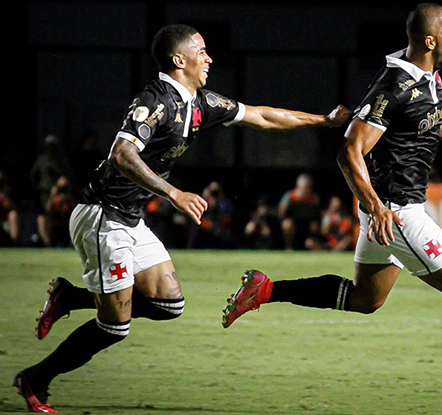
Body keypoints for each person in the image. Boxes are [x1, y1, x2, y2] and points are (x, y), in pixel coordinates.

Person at [221, 3, 442, 413]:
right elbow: (349, 151)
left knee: (365, 299)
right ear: (430, 40)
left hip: (389, 209)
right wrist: (377, 207)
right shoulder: (392, 87)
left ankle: (266, 289)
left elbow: (433, 118)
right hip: (396, 211)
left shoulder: (428, 78)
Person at [13, 23, 351, 413]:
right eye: (201, 50)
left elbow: (260, 116)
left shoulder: (198, 102)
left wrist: (322, 121)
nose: (208, 57)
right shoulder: (154, 101)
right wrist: (173, 193)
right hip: (103, 217)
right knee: (115, 326)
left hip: (128, 219)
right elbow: (122, 154)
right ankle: (36, 380)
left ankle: (70, 296)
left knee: (168, 305)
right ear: (179, 60)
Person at [30, 135, 72, 247]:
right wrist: (39, 187)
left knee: (67, 213)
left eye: (53, 146)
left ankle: (68, 242)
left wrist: (61, 185)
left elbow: (68, 176)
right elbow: (33, 176)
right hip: (45, 193)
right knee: (44, 216)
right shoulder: (41, 160)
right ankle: (47, 243)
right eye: (49, 146)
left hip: (61, 194)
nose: (51, 148)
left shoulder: (61, 160)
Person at [277, 173, 322, 250]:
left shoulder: (314, 198)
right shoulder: (289, 196)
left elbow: (318, 214)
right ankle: (289, 248)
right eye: (305, 187)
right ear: (298, 186)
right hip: (293, 223)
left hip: (307, 224)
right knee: (287, 224)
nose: (307, 189)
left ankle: (314, 246)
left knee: (315, 225)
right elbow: (281, 214)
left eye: (309, 187)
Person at [0, 170, 20, 246]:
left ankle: (14, 243)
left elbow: (11, 207)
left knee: (13, 215)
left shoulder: (6, 192)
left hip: (4, 219)